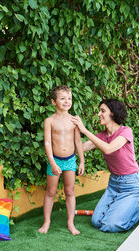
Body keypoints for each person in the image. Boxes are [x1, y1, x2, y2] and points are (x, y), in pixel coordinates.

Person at [71, 99, 139, 232]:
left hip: (131, 185)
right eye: (99, 111)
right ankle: (131, 207)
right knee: (96, 221)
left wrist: (84, 130)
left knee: (111, 225)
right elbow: (77, 148)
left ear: (113, 113)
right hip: (114, 185)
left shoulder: (125, 131)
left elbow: (108, 149)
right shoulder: (101, 136)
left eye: (103, 111)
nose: (98, 114)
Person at [38, 85, 85, 235]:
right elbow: (47, 143)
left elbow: (78, 142)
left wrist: (82, 161)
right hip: (55, 160)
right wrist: (52, 162)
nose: (67, 101)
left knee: (70, 191)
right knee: (51, 192)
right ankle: (47, 222)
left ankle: (71, 223)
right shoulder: (49, 121)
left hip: (70, 160)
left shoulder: (74, 120)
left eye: (69, 98)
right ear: (54, 101)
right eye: (63, 98)